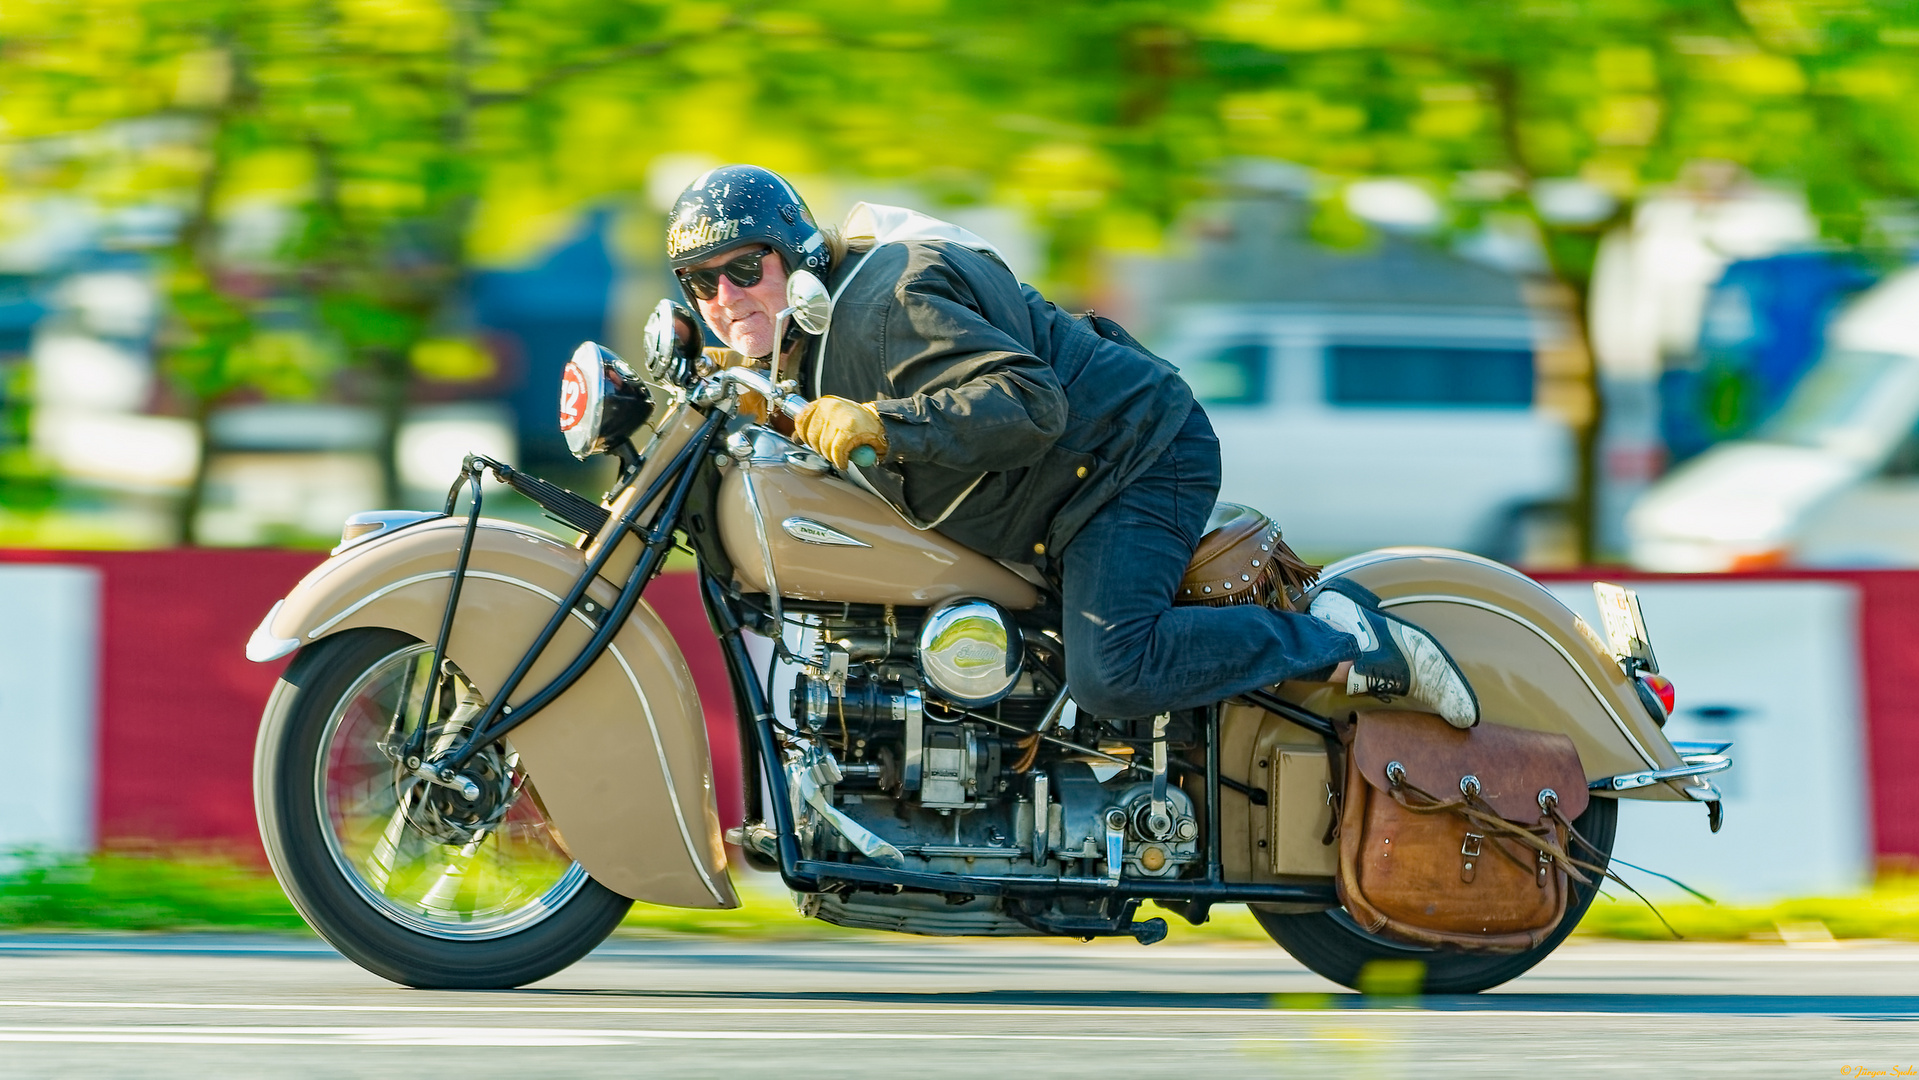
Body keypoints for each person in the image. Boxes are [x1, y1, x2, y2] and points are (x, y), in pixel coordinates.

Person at [665, 164, 1478, 728]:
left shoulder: (885, 303)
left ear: (798, 254)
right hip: (1048, 493)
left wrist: (884, 426)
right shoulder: (799, 350)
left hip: (1130, 461)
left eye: (745, 267)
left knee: (1114, 670)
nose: (727, 296)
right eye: (702, 283)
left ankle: (1345, 640)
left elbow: (1028, 403)